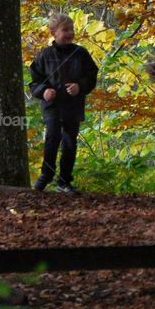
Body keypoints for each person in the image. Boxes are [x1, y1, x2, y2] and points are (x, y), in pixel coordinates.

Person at [29, 13, 98, 195]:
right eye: (65, 30)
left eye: (72, 29)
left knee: (69, 143)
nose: (70, 33)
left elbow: (91, 76)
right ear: (53, 32)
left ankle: (64, 181)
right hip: (52, 107)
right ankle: (45, 176)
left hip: (73, 107)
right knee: (52, 139)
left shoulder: (80, 53)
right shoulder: (45, 55)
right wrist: (44, 91)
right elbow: (34, 82)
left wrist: (80, 86)